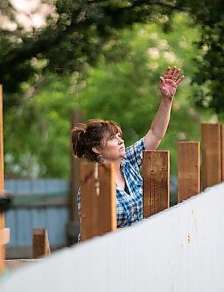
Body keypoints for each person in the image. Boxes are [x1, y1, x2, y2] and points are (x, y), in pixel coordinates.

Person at [71, 66, 184, 238]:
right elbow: (95, 234)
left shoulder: (128, 163)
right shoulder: (91, 185)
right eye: (112, 138)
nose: (120, 140)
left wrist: (166, 100)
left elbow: (155, 133)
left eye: (119, 136)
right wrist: (139, 232)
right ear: (97, 149)